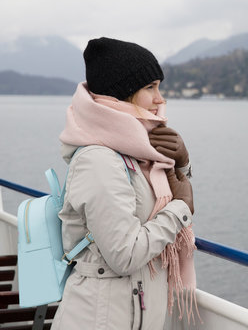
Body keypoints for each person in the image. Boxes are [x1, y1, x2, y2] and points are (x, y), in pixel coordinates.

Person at [51, 37, 197, 330]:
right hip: (100, 318)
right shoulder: (99, 160)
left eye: (159, 86)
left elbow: (156, 199)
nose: (160, 99)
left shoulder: (138, 151)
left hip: (127, 312)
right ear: (121, 95)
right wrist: (181, 209)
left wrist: (182, 164)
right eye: (149, 87)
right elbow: (124, 255)